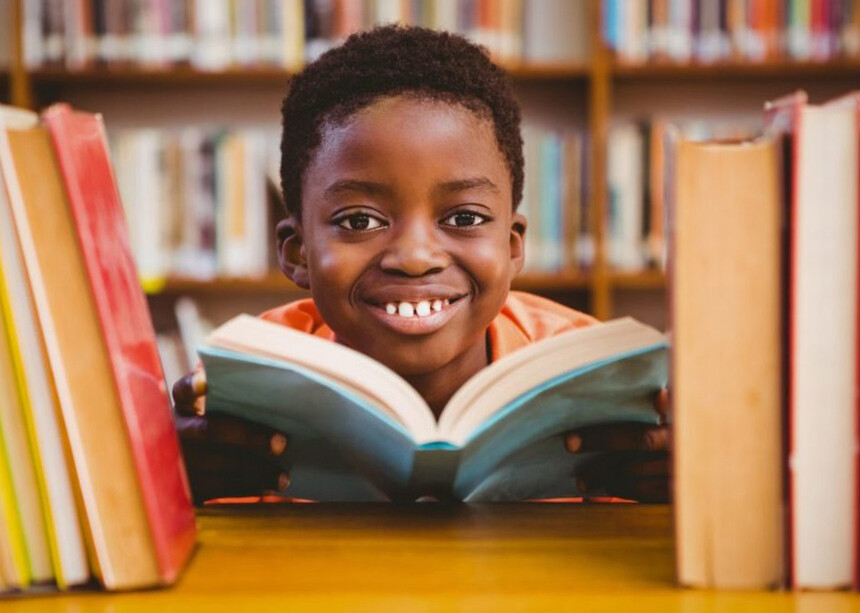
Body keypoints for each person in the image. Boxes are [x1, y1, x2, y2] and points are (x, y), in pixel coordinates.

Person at [171, 25, 668, 504]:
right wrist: (168, 476)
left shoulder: (585, 374)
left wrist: (677, 482)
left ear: (513, 246)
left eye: (465, 217)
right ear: (297, 253)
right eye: (360, 221)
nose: (414, 258)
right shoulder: (255, 380)